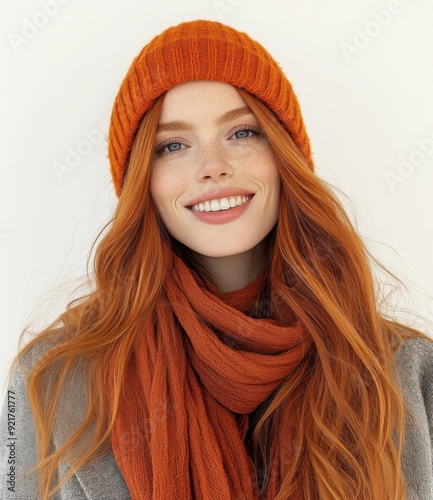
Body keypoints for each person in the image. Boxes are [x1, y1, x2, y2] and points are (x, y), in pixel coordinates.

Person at [1, 19, 432, 500]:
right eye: (173, 145)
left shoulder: (402, 369)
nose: (212, 167)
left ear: (284, 156)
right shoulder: (51, 379)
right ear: (143, 179)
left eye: (243, 133)